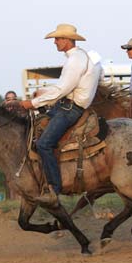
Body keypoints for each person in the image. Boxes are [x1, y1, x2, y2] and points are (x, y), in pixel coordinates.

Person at [20, 24, 102, 207]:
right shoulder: (81, 57)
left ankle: (54, 188)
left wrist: (31, 103)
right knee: (37, 128)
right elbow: (64, 87)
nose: (55, 42)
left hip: (70, 109)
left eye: (57, 39)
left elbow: (63, 88)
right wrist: (43, 92)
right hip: (67, 105)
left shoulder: (75, 60)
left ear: (66, 40)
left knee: (43, 143)